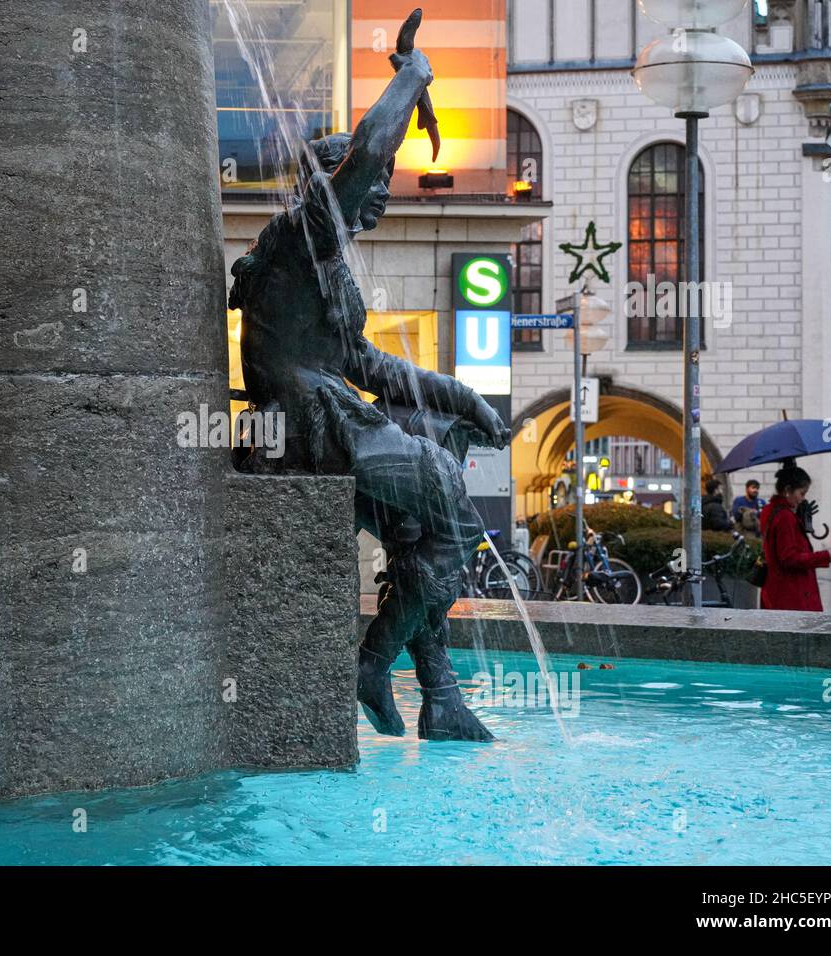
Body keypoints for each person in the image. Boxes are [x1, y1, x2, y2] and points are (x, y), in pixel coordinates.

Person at [229, 19, 509, 743]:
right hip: (307, 424)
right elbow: (365, 156)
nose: (381, 191)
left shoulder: (321, 266)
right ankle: (374, 663)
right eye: (371, 182)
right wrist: (412, 76)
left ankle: (440, 696)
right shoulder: (303, 237)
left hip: (318, 416)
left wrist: (463, 396)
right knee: (447, 493)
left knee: (419, 523)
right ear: (338, 187)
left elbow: (369, 366)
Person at [759, 465, 831, 611]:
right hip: (792, 593)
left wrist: (798, 518)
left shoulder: (769, 510)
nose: (802, 499)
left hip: (776, 589)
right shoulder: (785, 517)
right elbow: (789, 558)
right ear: (788, 490)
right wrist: (825, 556)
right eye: (802, 493)